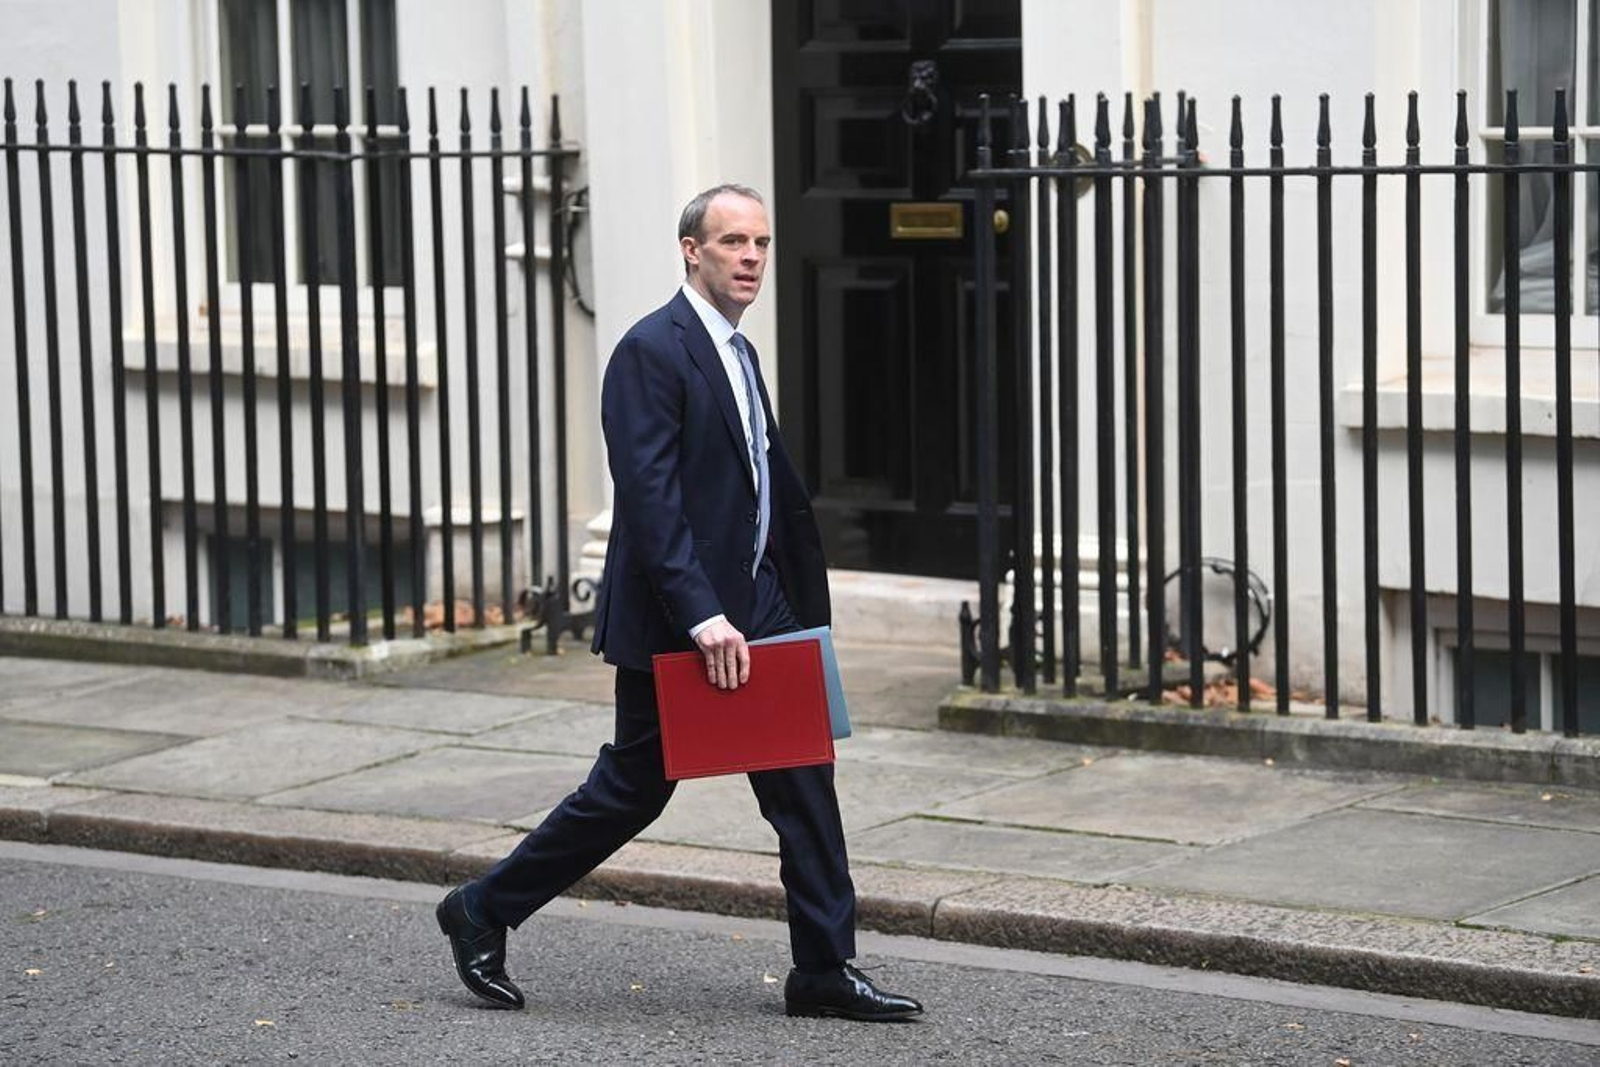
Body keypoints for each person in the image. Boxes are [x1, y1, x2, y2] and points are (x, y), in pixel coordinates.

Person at [436, 184, 923, 1022]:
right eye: (733, 241)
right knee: (633, 788)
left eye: (762, 243)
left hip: (761, 606)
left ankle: (823, 967)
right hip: (683, 618)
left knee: (805, 782)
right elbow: (651, 500)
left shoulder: (738, 351)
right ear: (690, 251)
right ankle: (482, 907)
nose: (752, 258)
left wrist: (786, 592)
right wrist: (702, 614)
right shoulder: (650, 351)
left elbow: (753, 484)